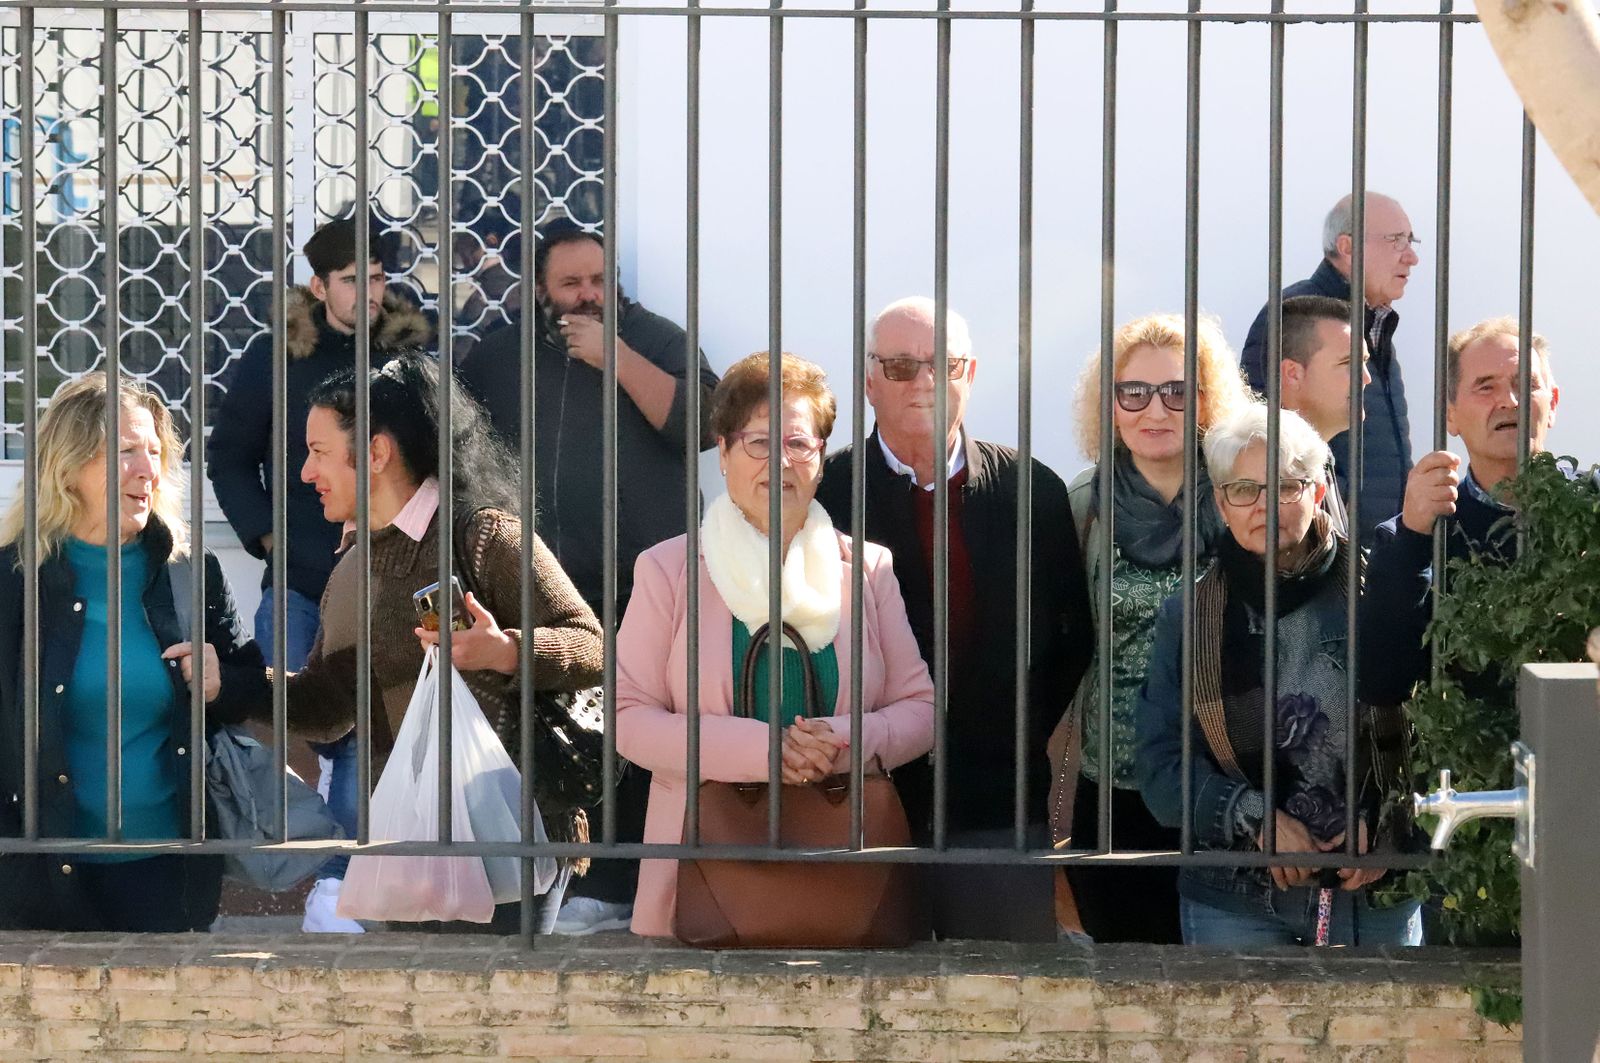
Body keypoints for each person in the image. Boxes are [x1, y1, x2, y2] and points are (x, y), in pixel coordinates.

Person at [252, 352, 605, 933]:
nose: (305, 473)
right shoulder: (352, 568)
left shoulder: (484, 535)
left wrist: (507, 651)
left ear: (375, 453)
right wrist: (233, 685)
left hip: (511, 834)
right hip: (410, 840)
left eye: (318, 453)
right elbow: (331, 708)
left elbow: (592, 645)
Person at [615, 351, 936, 939]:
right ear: (724, 448)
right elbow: (629, 719)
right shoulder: (670, 570)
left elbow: (920, 712)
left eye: (799, 443)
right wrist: (766, 751)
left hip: (842, 869)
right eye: (759, 443)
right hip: (701, 868)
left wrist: (839, 743)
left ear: (820, 457)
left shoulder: (865, 568)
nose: (780, 462)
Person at [459, 220, 721, 935]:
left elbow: (705, 423)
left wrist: (619, 357)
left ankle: (643, 887)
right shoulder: (501, 352)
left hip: (647, 582)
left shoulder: (656, 338)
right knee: (570, 739)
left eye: (599, 280)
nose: (588, 295)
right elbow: (456, 444)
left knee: (645, 737)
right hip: (548, 589)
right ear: (539, 287)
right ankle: (575, 886)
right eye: (571, 283)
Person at [813, 297, 1092, 942]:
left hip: (998, 799)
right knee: (863, 1000)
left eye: (946, 364)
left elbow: (1070, 637)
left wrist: (1012, 728)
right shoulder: (829, 494)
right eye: (904, 365)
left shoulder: (1033, 491)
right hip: (860, 794)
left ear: (971, 373)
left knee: (1003, 999)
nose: (927, 382)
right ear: (869, 381)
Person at [207, 215, 431, 932]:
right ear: (318, 285)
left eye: (377, 278)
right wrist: (268, 538)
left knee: (366, 725)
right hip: (300, 577)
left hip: (387, 578)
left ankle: (341, 882)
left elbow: (437, 456)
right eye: (351, 280)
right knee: (288, 716)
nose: (368, 292)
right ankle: (312, 853)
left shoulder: (409, 361)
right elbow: (229, 456)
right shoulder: (275, 357)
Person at [1134, 403, 1427, 947]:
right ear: (1221, 504)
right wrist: (1256, 820)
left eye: (1285, 486)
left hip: (1373, 897)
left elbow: (1436, 732)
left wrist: (1388, 825)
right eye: (1242, 489)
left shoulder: (1379, 594)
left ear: (1318, 492)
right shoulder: (1190, 617)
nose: (1263, 505)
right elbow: (1158, 764)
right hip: (1234, 901)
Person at [0, 375, 267, 932]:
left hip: (167, 873)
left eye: (155, 451)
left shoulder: (189, 573)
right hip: (39, 878)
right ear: (69, 468)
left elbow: (246, 684)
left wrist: (224, 683)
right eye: (125, 452)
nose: (148, 469)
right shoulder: (12, 580)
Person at [1048, 312, 1250, 945]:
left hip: (1226, 780)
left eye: (1177, 391)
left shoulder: (1241, 492)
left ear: (1206, 400)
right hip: (1113, 788)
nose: (1154, 409)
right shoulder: (1083, 505)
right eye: (1133, 392)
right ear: (1110, 405)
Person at [1240, 192, 1420, 545]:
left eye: (1411, 241)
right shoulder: (1298, 317)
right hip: (1324, 550)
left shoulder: (1375, 324)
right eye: (1397, 240)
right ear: (1347, 246)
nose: (1411, 257)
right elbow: (1265, 434)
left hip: (1377, 550)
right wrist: (1339, 504)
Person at [1276, 294, 1373, 535]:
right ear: (1293, 374)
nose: (1366, 378)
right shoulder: (1271, 469)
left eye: (1365, 362)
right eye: (1348, 363)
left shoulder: (1319, 455)